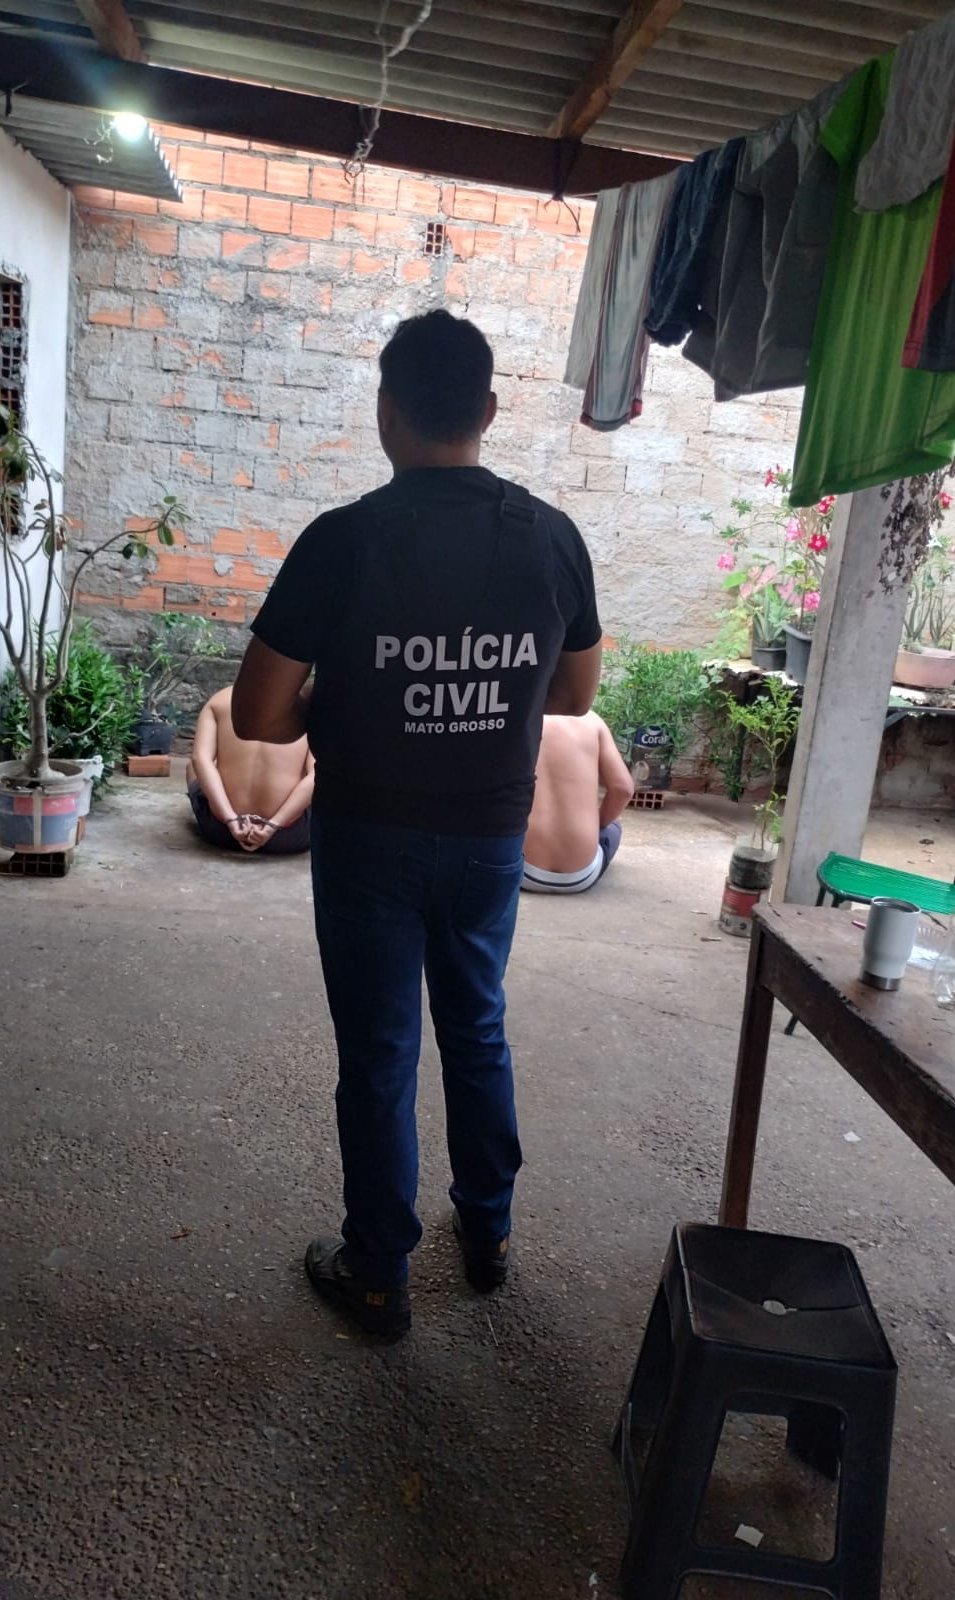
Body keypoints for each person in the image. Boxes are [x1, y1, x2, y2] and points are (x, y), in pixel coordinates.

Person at [230, 310, 601, 1336]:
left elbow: (258, 714)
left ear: (386, 412)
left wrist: (353, 703)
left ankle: (379, 1273)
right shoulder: (552, 539)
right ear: (489, 410)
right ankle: (488, 1235)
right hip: (488, 838)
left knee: (380, 1050)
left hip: (367, 837)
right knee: (475, 1027)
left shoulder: (342, 540)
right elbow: (573, 696)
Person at [186, 686, 313, 855]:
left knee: (193, 767)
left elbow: (200, 759)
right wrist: (271, 826)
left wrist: (231, 821)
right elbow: (317, 775)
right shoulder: (309, 707)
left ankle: (227, 813)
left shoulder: (219, 700)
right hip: (287, 836)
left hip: (222, 832)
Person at [522, 712, 633, 894]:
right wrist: (596, 824)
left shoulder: (520, 718)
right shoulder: (592, 721)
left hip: (523, 871)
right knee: (614, 827)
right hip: (580, 876)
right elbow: (623, 789)